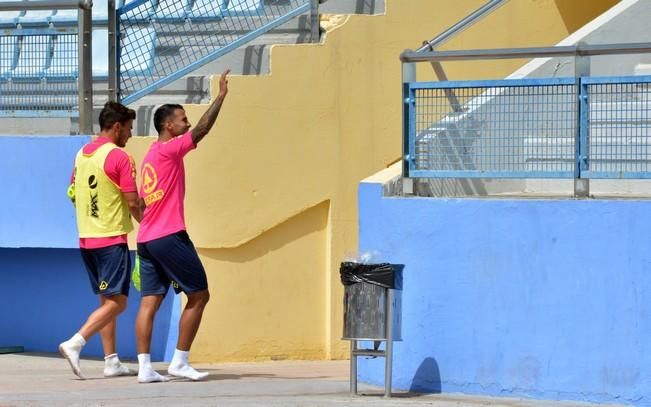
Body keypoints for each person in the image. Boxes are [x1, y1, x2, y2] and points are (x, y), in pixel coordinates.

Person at [134, 70, 230, 383]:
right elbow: (201, 130)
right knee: (200, 295)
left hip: (147, 239)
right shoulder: (170, 148)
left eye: (186, 118)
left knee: (150, 302)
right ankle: (180, 361)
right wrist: (220, 98)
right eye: (182, 119)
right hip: (168, 236)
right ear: (168, 126)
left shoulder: (150, 154)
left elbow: (140, 203)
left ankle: (145, 368)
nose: (186, 123)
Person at [59, 101, 143, 379]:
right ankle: (76, 342)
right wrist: (149, 223)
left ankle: (111, 361)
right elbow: (133, 202)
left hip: (86, 240)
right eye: (129, 129)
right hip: (110, 239)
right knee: (118, 303)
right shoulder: (120, 157)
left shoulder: (81, 154)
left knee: (107, 301)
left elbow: (72, 192)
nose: (130, 135)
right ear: (117, 127)